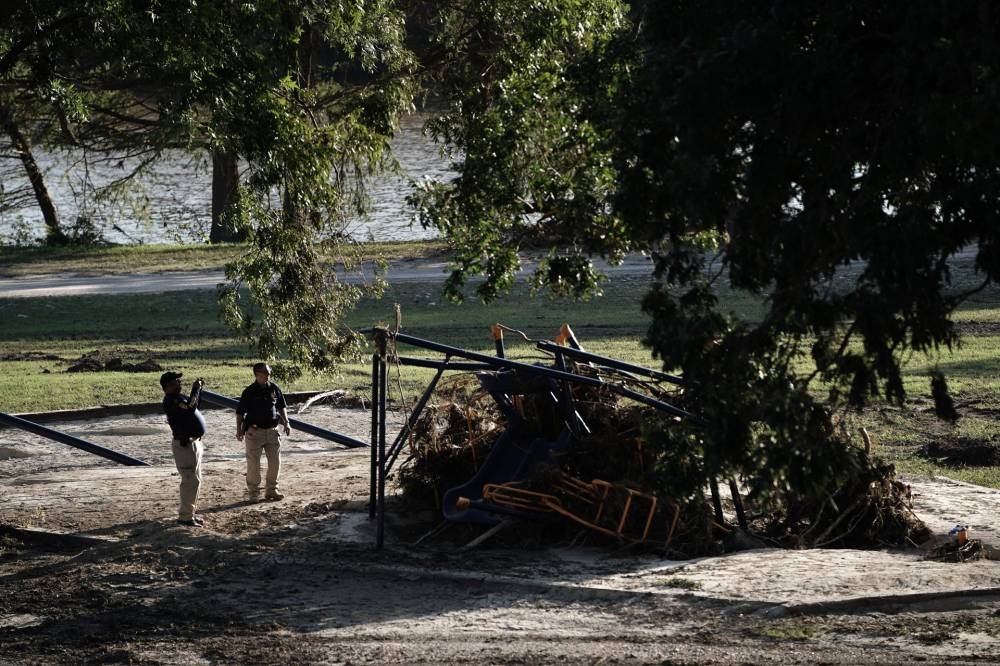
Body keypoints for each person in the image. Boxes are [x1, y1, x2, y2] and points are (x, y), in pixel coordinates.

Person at [236, 362, 290, 501]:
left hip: (272, 431)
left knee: (275, 462)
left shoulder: (274, 388)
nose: (268, 375)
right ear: (257, 374)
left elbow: (281, 406)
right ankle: (254, 492)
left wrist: (286, 422)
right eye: (265, 373)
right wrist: (239, 430)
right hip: (255, 432)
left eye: (269, 373)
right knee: (253, 464)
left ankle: (272, 490)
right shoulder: (249, 392)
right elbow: (240, 413)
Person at [160, 371, 206, 527]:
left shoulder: (178, 397)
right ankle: (185, 517)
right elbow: (190, 408)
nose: (179, 384)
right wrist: (196, 390)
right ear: (167, 387)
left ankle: (190, 513)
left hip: (193, 442)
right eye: (175, 382)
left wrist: (197, 392)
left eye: (179, 381)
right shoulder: (171, 400)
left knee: (196, 480)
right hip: (184, 445)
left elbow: (193, 406)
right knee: (190, 480)